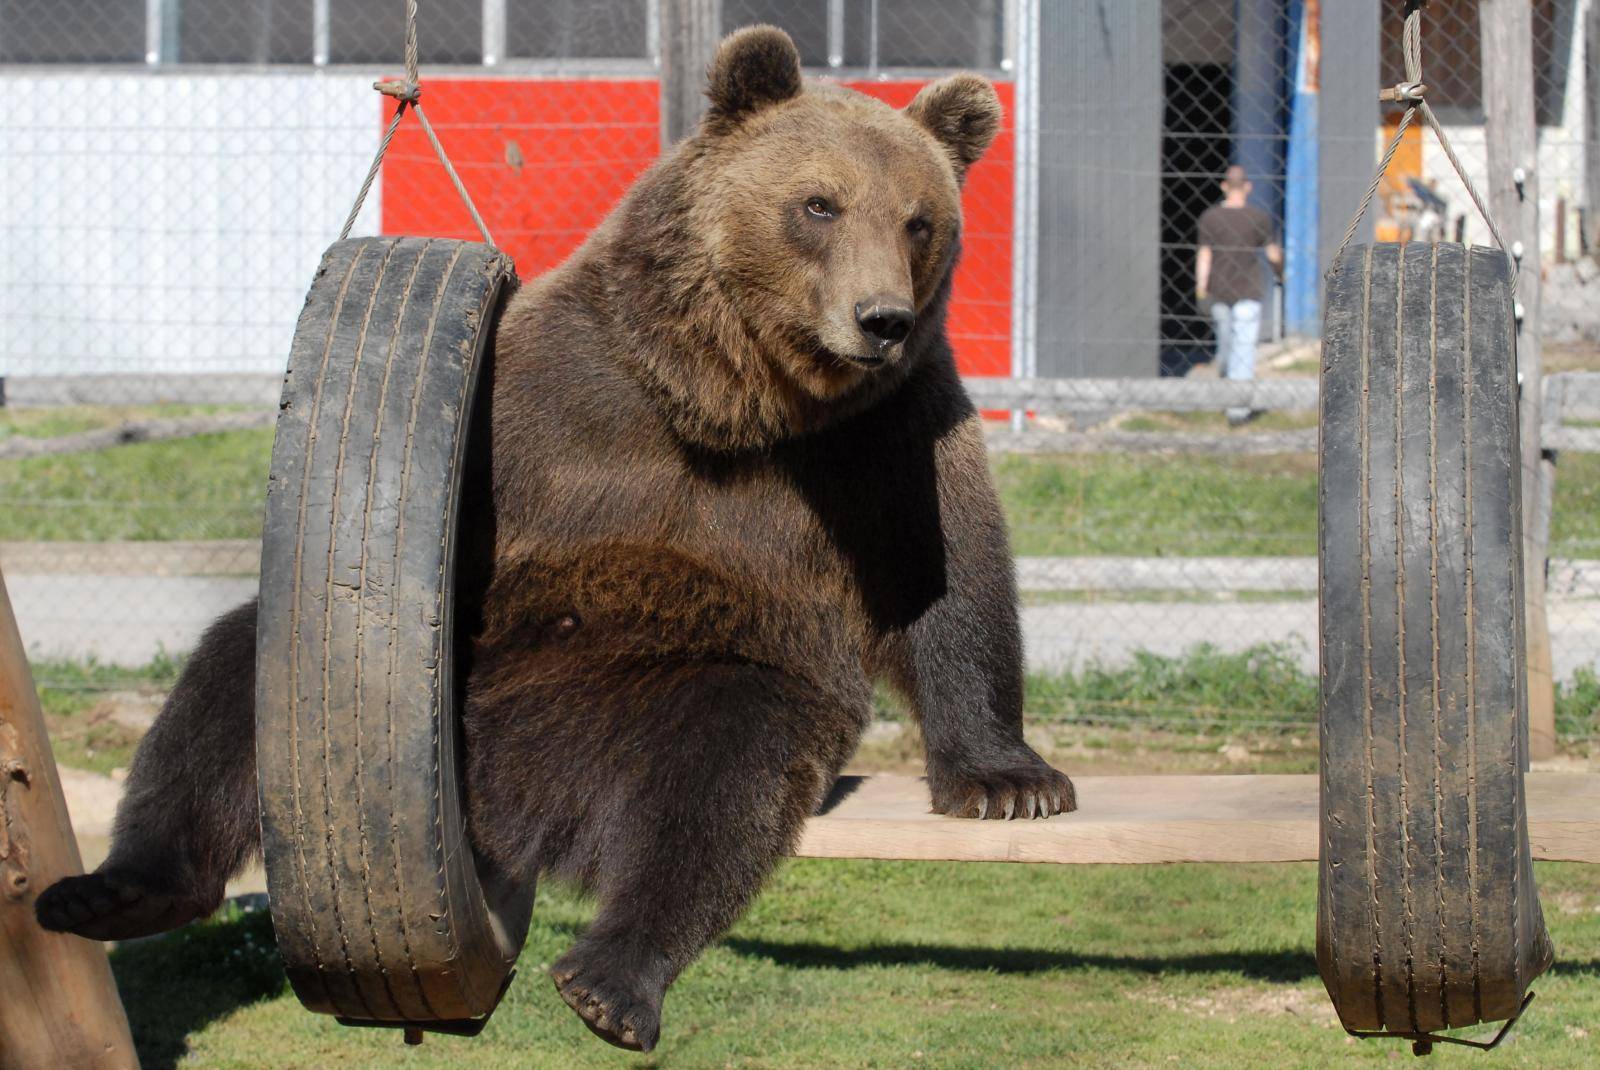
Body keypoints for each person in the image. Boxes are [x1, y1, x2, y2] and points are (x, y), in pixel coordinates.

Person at [1195, 166, 1283, 425]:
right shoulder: (1259, 218)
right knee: (1243, 348)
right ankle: (1238, 410)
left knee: (1225, 346)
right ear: (1247, 187)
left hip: (1219, 290)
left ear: (1224, 186)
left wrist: (1201, 287)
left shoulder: (1209, 217)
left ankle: (1230, 398)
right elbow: (1272, 254)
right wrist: (1280, 272)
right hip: (1248, 289)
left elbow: (1204, 255)